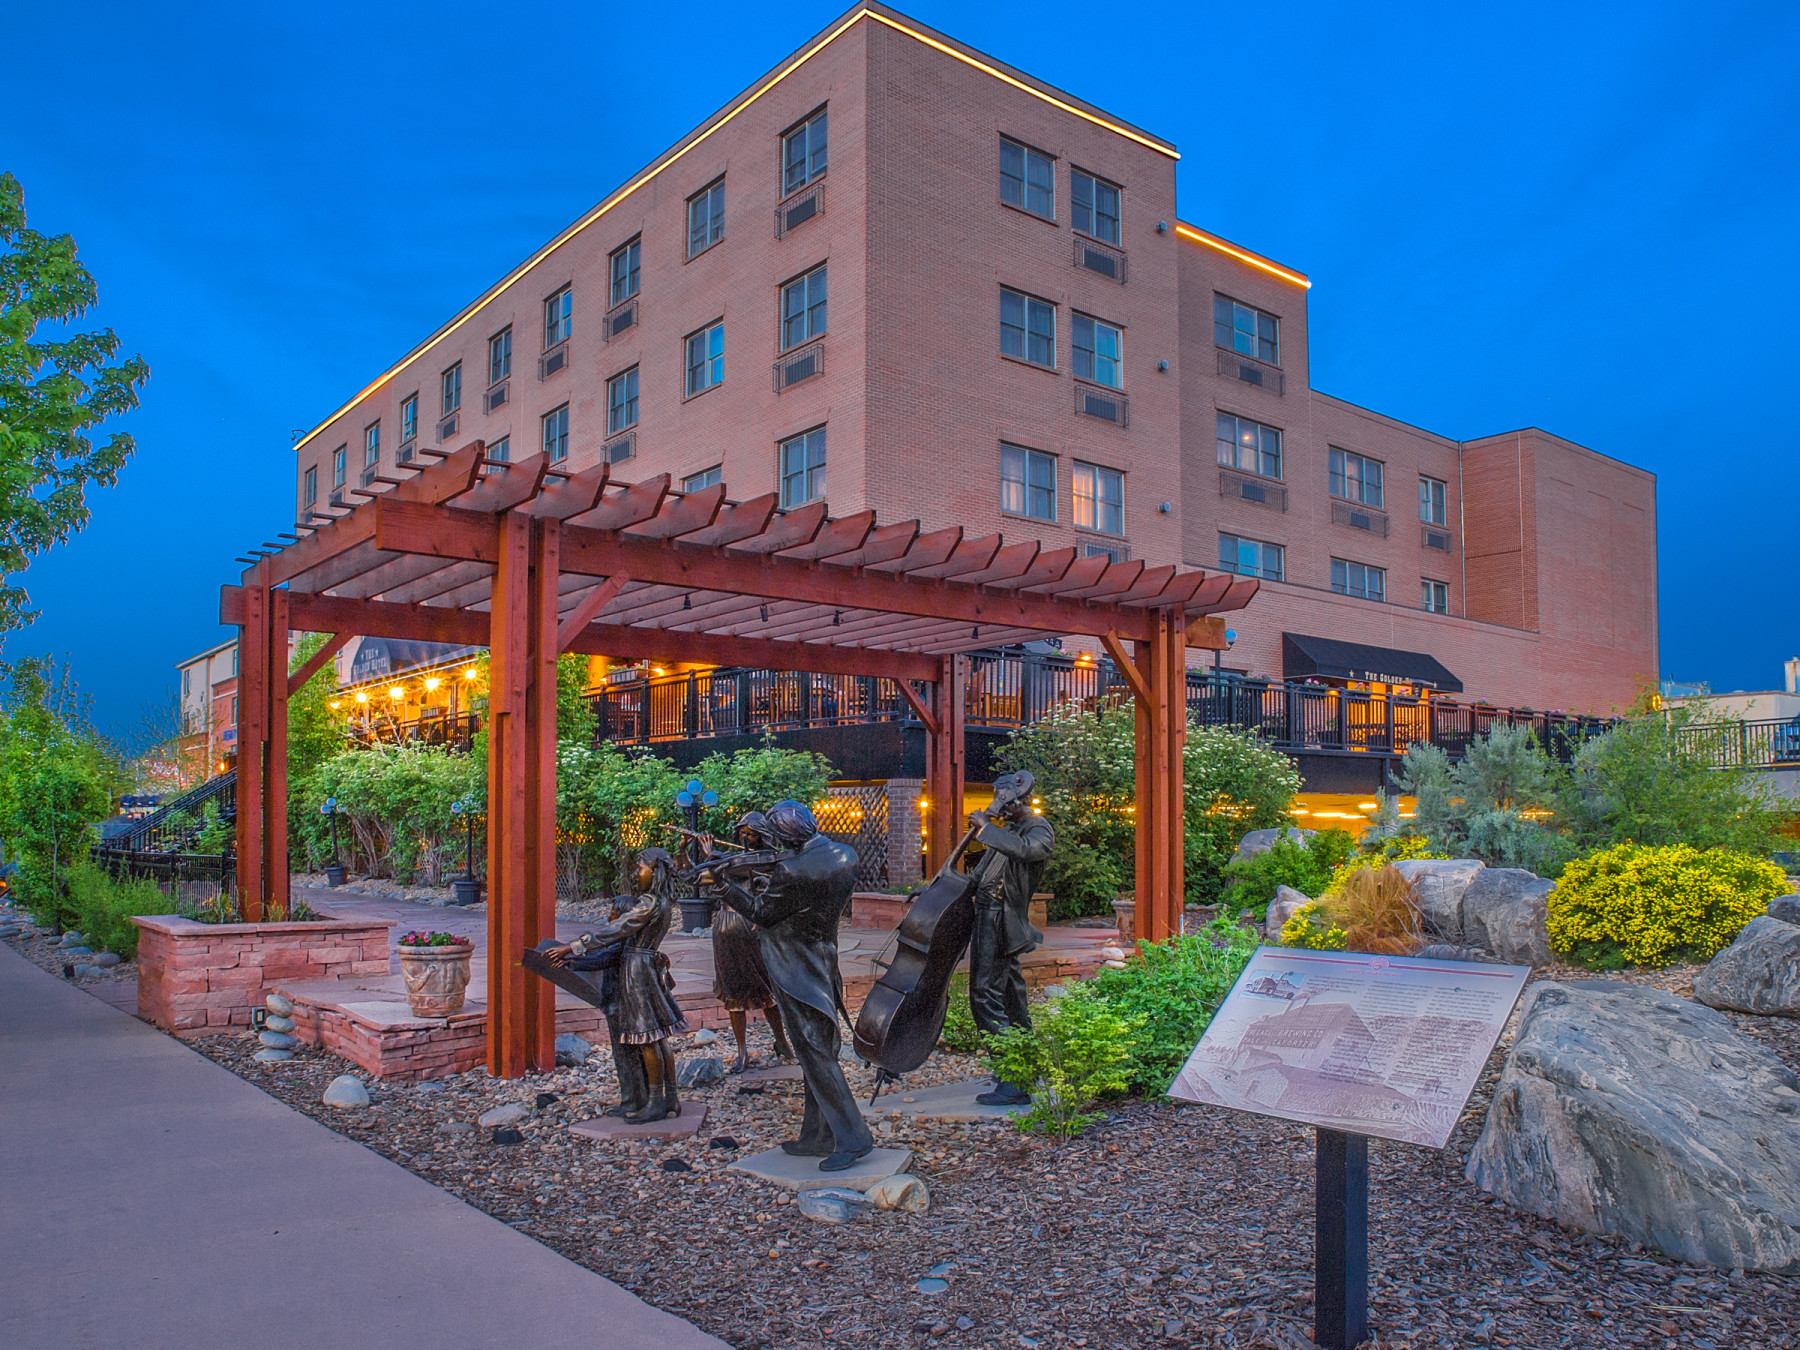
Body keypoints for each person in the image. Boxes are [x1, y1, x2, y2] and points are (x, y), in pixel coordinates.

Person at [713, 799, 875, 1172]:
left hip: (794, 966)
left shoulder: (792, 869)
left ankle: (853, 1138)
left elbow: (761, 913)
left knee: (814, 1050)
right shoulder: (844, 854)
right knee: (816, 1050)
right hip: (823, 956)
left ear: (786, 833)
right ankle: (817, 1133)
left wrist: (724, 888)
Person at [543, 847, 687, 1124]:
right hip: (646, 966)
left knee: (646, 1037)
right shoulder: (664, 901)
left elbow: (615, 930)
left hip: (637, 970)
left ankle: (655, 1102)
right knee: (658, 1038)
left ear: (654, 870)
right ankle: (670, 1098)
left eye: (641, 867)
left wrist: (572, 948)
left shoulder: (649, 903)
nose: (637, 872)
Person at [964, 770, 1055, 1106]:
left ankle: (1013, 1081)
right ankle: (1025, 1067)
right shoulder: (1008, 831)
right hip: (988, 914)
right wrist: (938, 889)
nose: (997, 807)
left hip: (1001, 918)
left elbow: (1028, 851)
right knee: (1012, 997)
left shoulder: (1037, 827)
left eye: (1003, 800)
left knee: (984, 994)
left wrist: (987, 830)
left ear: (1018, 799)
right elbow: (978, 877)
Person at [701, 812, 795, 1073]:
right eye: (742, 833)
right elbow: (698, 878)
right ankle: (742, 1050)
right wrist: (706, 857)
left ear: (762, 833)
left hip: (754, 928)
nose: (745, 837)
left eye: (750, 832)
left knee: (767, 989)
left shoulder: (772, 862)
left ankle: (781, 1041)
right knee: (733, 992)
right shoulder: (729, 861)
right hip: (726, 928)